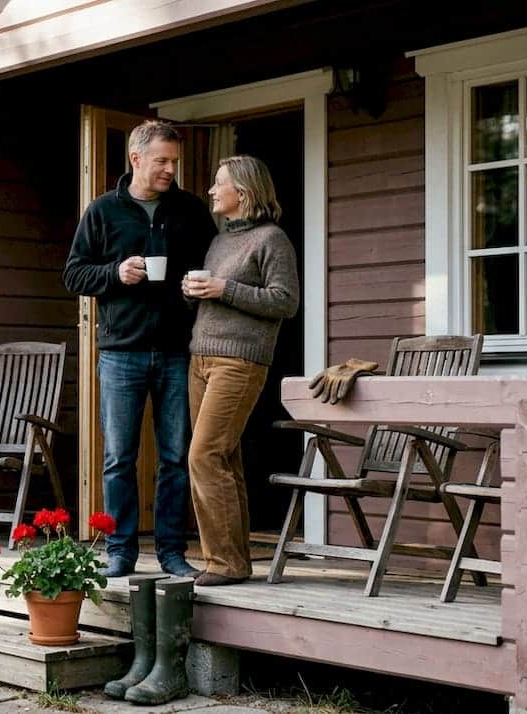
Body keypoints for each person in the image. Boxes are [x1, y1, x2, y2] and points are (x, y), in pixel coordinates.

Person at [64, 120, 215, 578]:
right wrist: (114, 273)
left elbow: (212, 264)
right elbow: (74, 274)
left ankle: (172, 552)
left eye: (174, 161)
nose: (170, 169)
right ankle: (120, 551)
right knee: (118, 459)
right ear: (136, 159)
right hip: (120, 353)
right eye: (162, 161)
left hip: (176, 350)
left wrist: (198, 287)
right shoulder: (103, 211)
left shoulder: (189, 209)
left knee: (175, 457)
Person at [180, 155, 299, 586]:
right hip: (201, 357)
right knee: (222, 458)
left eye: (218, 183)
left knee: (204, 455)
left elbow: (285, 301)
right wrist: (195, 292)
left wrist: (223, 288)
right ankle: (235, 560)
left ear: (243, 193)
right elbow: (219, 296)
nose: (211, 190)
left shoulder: (272, 239)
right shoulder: (218, 241)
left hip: (240, 361)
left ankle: (224, 563)